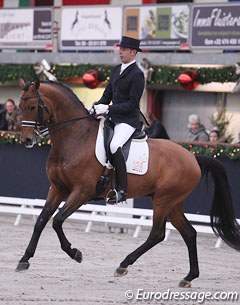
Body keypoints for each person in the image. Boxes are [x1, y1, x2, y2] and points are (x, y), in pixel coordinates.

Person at [91, 36, 145, 203]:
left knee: (115, 145)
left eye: (124, 49)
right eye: (120, 49)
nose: (120, 52)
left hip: (128, 120)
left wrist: (108, 108)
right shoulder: (116, 70)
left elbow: (132, 104)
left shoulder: (137, 74)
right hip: (113, 117)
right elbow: (107, 95)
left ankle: (121, 190)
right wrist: (95, 107)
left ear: (133, 52)